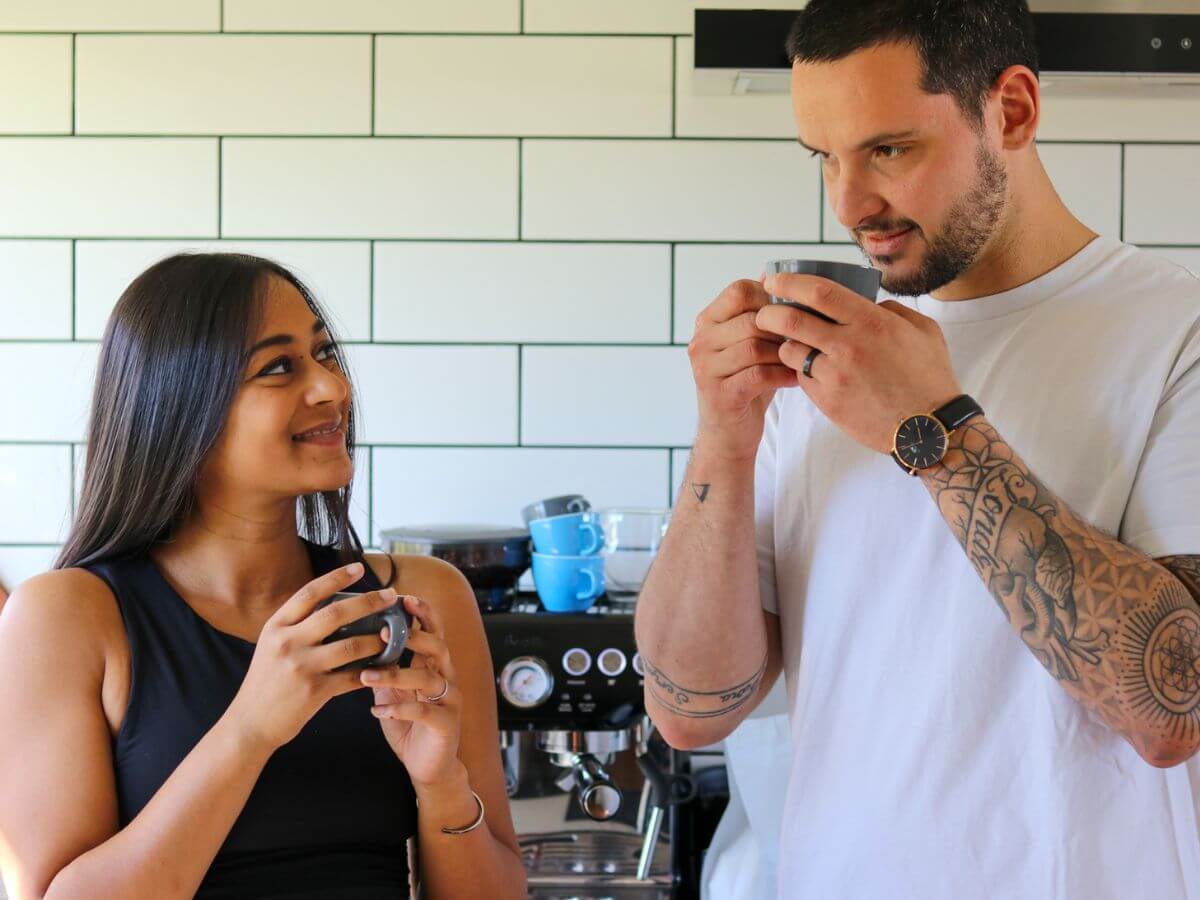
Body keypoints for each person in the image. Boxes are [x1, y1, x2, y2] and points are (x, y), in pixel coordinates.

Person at [636, 1, 1200, 897]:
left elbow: (1172, 705)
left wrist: (931, 430)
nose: (850, 203)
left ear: (1010, 111)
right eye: (824, 157)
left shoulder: (1174, 333)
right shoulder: (826, 348)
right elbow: (689, 710)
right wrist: (724, 435)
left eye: (889, 150)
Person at [0, 253, 527, 899]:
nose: (332, 389)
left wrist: (442, 784)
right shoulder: (67, 616)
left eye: (324, 353)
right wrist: (250, 730)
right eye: (278, 366)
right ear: (178, 405)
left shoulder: (422, 596)